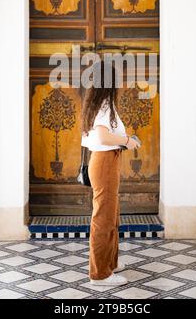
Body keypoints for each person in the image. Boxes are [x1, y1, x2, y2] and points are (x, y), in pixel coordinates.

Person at [81, 60, 140, 286]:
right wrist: (127, 141)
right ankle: (100, 275)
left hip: (107, 161)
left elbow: (101, 137)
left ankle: (110, 264)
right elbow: (104, 138)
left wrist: (125, 142)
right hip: (105, 162)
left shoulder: (99, 103)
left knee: (111, 216)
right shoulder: (104, 105)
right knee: (103, 219)